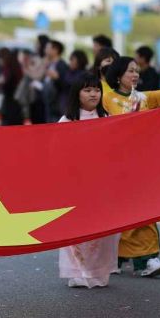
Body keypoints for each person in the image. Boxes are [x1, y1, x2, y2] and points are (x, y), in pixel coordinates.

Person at [103, 56, 160, 277]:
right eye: (130, 71)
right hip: (116, 166)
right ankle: (119, 255)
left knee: (145, 209)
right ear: (118, 76)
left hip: (142, 164)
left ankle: (147, 259)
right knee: (121, 212)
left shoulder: (142, 97)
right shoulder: (107, 98)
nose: (135, 75)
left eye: (137, 71)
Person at [58, 72, 119, 288]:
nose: (94, 94)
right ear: (77, 94)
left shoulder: (107, 119)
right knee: (76, 230)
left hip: (101, 183)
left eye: (96, 89)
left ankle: (98, 272)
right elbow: (57, 153)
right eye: (88, 90)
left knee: (101, 232)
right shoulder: (66, 121)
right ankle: (78, 271)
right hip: (75, 184)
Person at [42, 40, 70, 122]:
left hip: (57, 107)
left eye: (48, 47)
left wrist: (57, 78)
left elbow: (65, 85)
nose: (45, 50)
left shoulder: (62, 65)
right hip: (49, 105)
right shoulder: (50, 64)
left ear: (56, 50)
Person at [0, 48, 24, 126]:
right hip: (16, 103)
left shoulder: (8, 69)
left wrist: (0, 82)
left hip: (10, 103)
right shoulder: (16, 67)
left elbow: (7, 84)